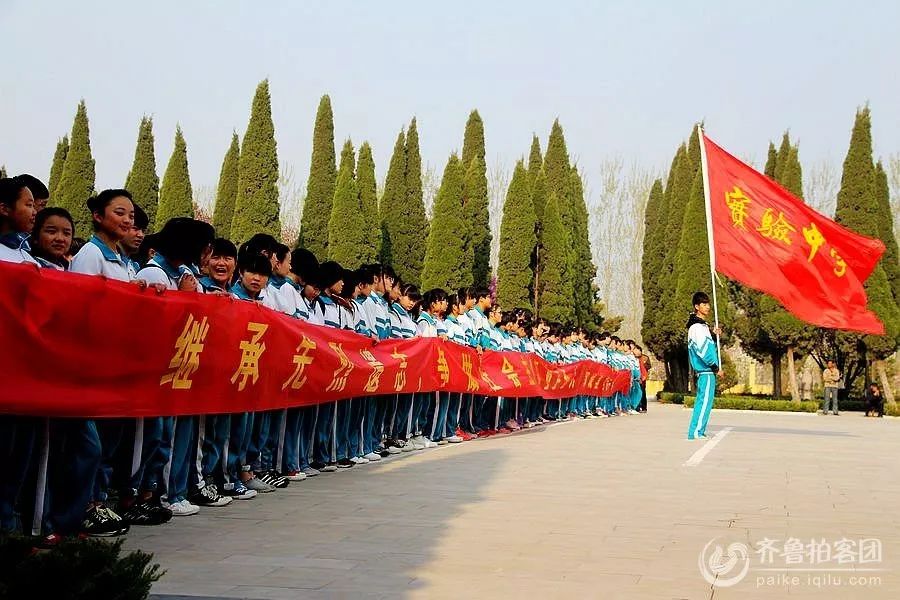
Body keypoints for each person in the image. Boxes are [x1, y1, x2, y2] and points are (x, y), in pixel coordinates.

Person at [687, 291, 720, 440]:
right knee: (704, 402)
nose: (708, 307)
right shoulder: (697, 327)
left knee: (705, 402)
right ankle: (696, 432)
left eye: (708, 304)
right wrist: (715, 367)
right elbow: (702, 350)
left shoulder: (702, 326)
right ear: (696, 306)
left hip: (707, 371)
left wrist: (713, 334)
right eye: (704, 304)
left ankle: (699, 430)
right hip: (705, 371)